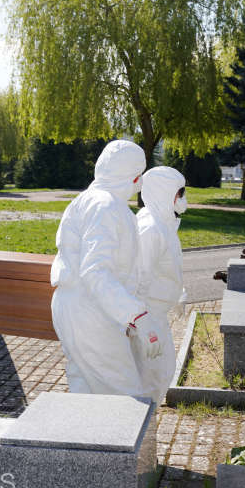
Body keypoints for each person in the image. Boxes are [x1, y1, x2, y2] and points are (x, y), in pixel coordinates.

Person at [51, 139, 166, 399]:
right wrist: (137, 315)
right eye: (139, 175)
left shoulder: (87, 200)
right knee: (125, 396)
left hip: (77, 307)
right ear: (133, 177)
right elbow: (96, 271)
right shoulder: (106, 206)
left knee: (85, 390)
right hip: (90, 312)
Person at [135, 166, 187, 404]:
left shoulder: (163, 223)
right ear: (165, 192)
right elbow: (138, 278)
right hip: (147, 316)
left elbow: (164, 268)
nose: (183, 198)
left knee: (160, 373)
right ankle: (142, 424)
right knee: (152, 376)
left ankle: (146, 420)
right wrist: (140, 323)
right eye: (180, 192)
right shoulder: (151, 228)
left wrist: (177, 293)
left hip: (155, 313)